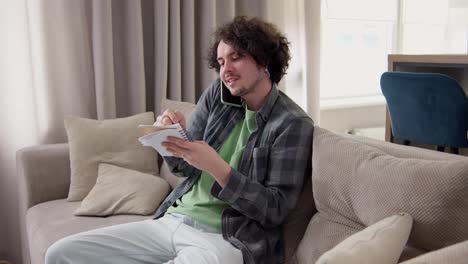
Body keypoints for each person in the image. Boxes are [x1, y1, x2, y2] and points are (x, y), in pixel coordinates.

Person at [45, 16, 313, 264]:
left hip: (226, 238)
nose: (225, 70)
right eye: (220, 62)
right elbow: (183, 167)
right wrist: (172, 136)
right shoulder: (218, 97)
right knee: (60, 254)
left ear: (264, 61)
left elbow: (274, 210)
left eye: (236, 57)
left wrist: (218, 168)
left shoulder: (292, 124)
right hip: (173, 219)